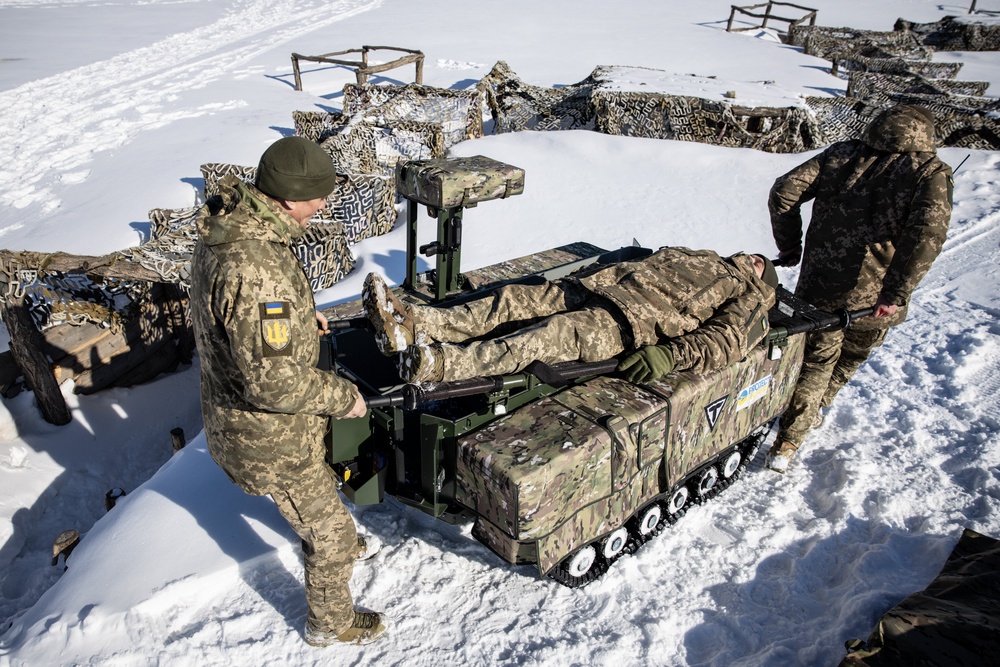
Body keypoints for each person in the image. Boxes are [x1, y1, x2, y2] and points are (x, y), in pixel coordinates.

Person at [189, 136, 387, 647]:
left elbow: (242, 320)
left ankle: (327, 536)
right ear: (287, 197)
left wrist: (301, 320)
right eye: (316, 196)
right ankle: (330, 623)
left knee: (317, 494)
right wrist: (342, 397)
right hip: (269, 436)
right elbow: (274, 383)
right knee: (333, 536)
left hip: (256, 424)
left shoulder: (233, 229)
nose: (322, 206)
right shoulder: (256, 268)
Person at [766, 104, 953, 473]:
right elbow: (926, 236)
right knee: (851, 356)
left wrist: (790, 245)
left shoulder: (842, 154)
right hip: (876, 299)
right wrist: (895, 293)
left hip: (818, 285)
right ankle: (793, 435)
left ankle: (791, 436)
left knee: (815, 361)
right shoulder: (930, 173)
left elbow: (785, 190)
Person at [362, 246, 779, 384]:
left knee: (543, 337)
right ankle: (413, 325)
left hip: (625, 324)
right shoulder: (703, 254)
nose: (755, 258)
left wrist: (671, 356)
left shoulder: (751, 295)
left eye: (763, 263)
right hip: (594, 287)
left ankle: (441, 365)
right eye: (755, 255)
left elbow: (725, 342)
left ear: (765, 279)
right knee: (509, 299)